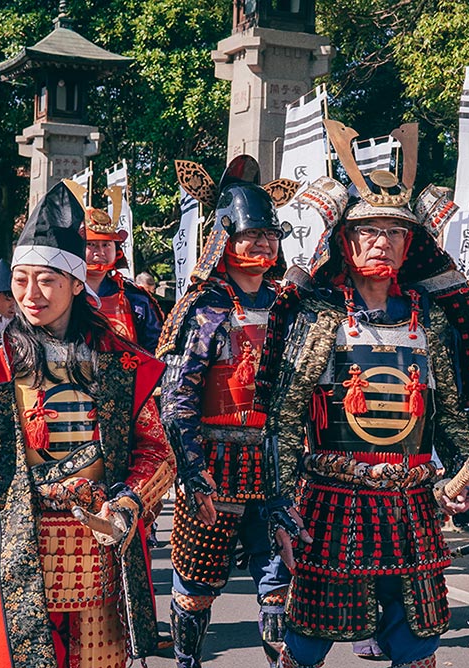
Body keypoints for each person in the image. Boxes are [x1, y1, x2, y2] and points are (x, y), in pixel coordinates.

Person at [257, 120, 469, 668]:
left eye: (394, 232)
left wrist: (465, 472)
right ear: (346, 240)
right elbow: (287, 418)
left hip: (412, 504)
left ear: (409, 243)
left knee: (419, 640)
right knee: (308, 638)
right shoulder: (321, 318)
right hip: (330, 501)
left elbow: (450, 418)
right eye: (369, 231)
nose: (381, 242)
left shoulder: (429, 321)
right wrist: (282, 507)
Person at [0, 180, 175, 668]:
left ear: (77, 283)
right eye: (20, 280)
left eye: (48, 280)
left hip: (100, 553)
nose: (30, 295)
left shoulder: (120, 363)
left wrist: (127, 501)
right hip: (15, 552)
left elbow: (157, 451)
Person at [157, 155, 299, 668]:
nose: (262, 243)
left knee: (279, 584)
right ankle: (188, 663)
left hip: (278, 463)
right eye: (250, 233)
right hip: (214, 463)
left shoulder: (291, 305)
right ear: (224, 238)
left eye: (270, 234)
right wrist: (193, 474)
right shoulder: (206, 307)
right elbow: (176, 397)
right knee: (195, 586)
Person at [83, 201, 164, 353]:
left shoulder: (135, 299)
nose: (99, 252)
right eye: (91, 244)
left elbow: (155, 351)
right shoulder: (61, 294)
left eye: (106, 245)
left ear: (117, 251)